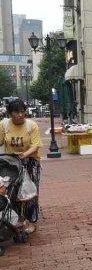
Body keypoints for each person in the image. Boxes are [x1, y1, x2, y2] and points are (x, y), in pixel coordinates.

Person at [0, 99, 42, 234]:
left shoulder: (31, 125)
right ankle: (17, 218)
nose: (20, 115)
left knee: (29, 193)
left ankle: (32, 220)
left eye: (23, 111)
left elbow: (36, 144)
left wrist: (24, 155)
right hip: (10, 163)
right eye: (17, 112)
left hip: (30, 161)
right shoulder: (4, 125)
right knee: (12, 191)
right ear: (10, 113)